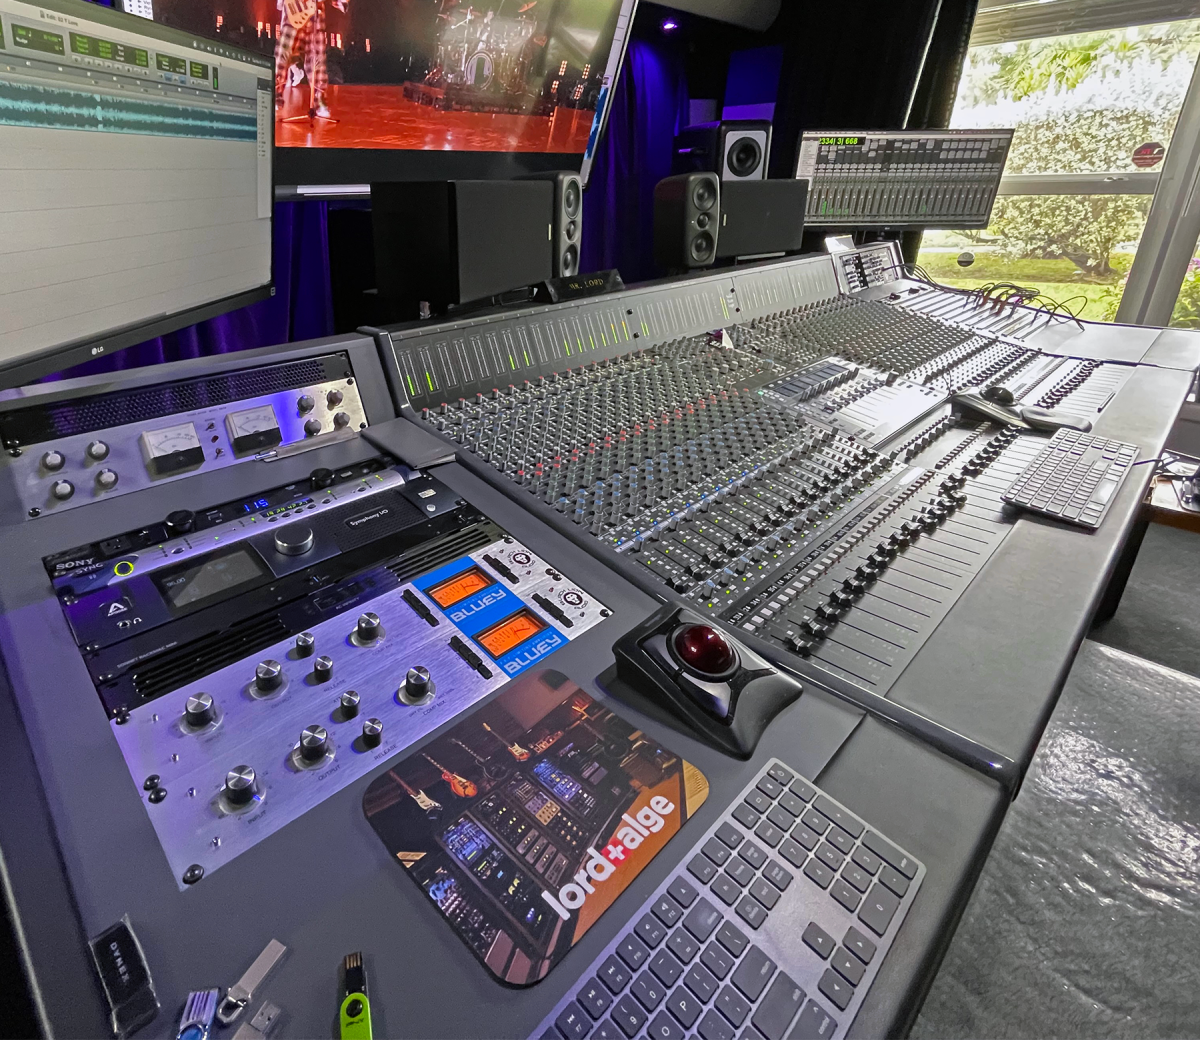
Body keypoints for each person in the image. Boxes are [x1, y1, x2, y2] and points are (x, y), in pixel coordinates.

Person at [274, 0, 347, 118]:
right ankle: (275, 94)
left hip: (315, 14)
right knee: (283, 53)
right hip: (294, 10)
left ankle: (319, 99)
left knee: (317, 56)